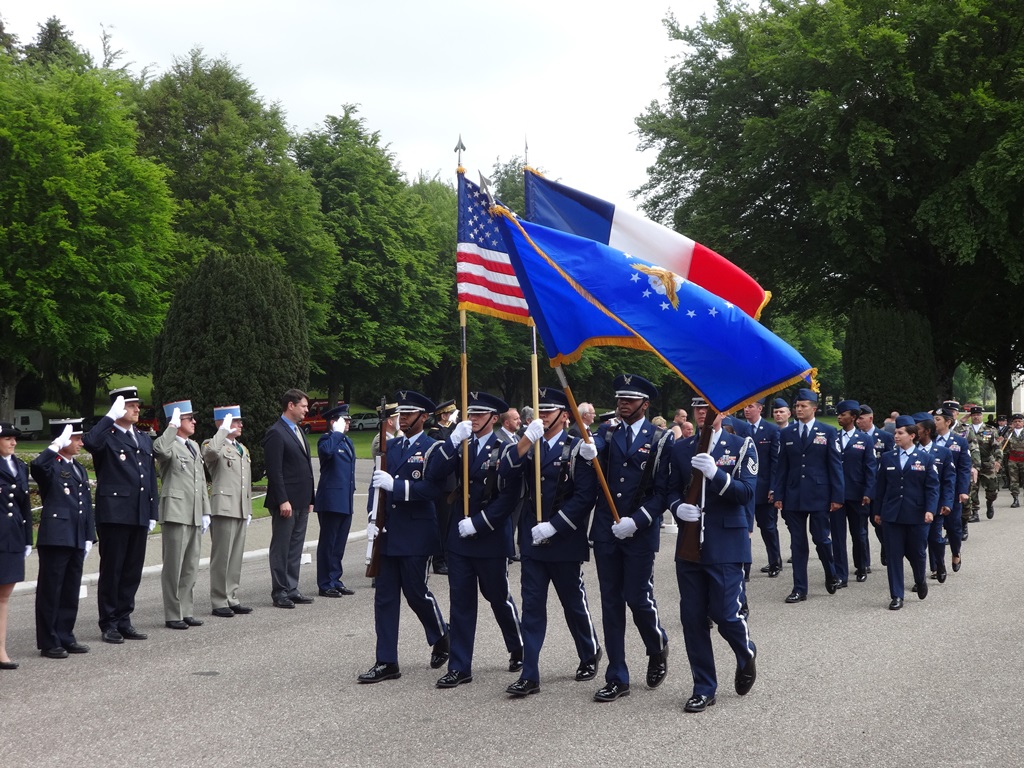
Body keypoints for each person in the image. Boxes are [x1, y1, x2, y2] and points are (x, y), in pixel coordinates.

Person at [499, 387, 601, 698]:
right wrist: (526, 439)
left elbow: (585, 496)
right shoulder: (530, 444)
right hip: (532, 536)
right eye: (539, 411)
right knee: (532, 607)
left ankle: (589, 651)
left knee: (572, 602)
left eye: (549, 411)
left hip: (564, 537)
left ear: (564, 416)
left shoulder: (577, 447)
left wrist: (554, 527)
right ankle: (530, 675)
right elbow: (505, 472)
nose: (542, 416)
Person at [428, 391, 524, 688]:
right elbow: (434, 473)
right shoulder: (460, 445)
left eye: (479, 415)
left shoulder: (506, 448)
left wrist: (480, 523)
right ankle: (460, 666)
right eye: (471, 414)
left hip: (490, 536)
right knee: (461, 602)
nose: (473, 419)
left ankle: (518, 645)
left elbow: (509, 497)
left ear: (494, 419)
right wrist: (452, 441)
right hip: (460, 537)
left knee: (497, 597)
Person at [587, 374, 671, 702]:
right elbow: (599, 455)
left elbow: (662, 493)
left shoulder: (661, 439)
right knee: (611, 603)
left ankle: (656, 644)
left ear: (645, 405)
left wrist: (637, 521)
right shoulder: (607, 432)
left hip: (639, 531)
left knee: (637, 598)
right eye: (620, 398)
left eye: (630, 399)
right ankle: (617, 675)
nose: (622, 403)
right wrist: (587, 449)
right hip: (608, 529)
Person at [669, 410, 758, 712]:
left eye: (709, 408)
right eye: (698, 407)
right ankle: (704, 687)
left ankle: (746, 652)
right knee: (692, 618)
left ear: (724, 412)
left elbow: (746, 493)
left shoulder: (741, 445)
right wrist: (677, 507)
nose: (702, 413)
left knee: (725, 615)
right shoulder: (681, 447)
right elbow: (667, 488)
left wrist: (716, 475)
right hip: (689, 544)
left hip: (726, 543)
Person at [358, 390, 449, 683]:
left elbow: (434, 490)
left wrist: (397, 486)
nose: (403, 419)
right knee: (384, 598)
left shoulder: (433, 448)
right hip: (388, 531)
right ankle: (387, 661)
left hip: (416, 532)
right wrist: (372, 517)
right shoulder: (390, 446)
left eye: (409, 414)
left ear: (424, 417)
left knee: (415, 592)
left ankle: (441, 635)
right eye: (402, 414)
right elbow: (376, 485)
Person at [84, 386, 158, 644]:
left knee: (131, 570)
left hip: (138, 511)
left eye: (137, 405)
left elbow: (150, 478)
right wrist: (108, 417)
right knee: (113, 569)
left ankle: (125, 618)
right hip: (115, 513)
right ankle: (109, 622)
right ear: (118, 408)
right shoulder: (107, 435)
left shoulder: (143, 438)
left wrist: (152, 510)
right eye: (131, 405)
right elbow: (89, 442)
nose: (137, 409)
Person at [773, 388, 844, 603]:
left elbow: (835, 466)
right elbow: (781, 467)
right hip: (793, 495)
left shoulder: (827, 432)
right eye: (797, 406)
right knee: (797, 542)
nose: (799, 409)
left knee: (821, 538)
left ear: (814, 408)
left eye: (803, 406)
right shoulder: (787, 433)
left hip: (819, 494)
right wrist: (778, 494)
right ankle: (799, 588)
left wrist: (837, 496)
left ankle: (831, 572)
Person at [30, 420, 94, 658]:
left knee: (70, 589)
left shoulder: (78, 467)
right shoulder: (51, 465)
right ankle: (49, 640)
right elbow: (36, 466)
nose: (81, 443)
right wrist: (56, 444)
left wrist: (89, 535)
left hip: (76, 535)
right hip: (56, 536)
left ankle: (66, 635)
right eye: (76, 438)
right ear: (64, 439)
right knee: (51, 590)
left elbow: (86, 504)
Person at [154, 400, 210, 630]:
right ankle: (172, 613)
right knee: (174, 565)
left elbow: (201, 481)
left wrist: (206, 511)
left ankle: (186, 609)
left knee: (190, 565)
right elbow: (159, 450)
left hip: (195, 511)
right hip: (176, 511)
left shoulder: (194, 446)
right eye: (189, 419)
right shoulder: (167, 444)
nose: (194, 421)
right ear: (177, 423)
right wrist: (171, 427)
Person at [873, 416, 939, 610]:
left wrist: (930, 510)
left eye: (900, 433)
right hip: (892, 514)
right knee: (894, 555)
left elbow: (932, 488)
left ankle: (920, 579)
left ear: (912, 436)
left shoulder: (925, 458)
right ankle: (896, 595)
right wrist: (877, 512)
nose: (896, 436)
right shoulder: (887, 458)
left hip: (916, 514)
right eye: (895, 433)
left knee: (918, 553)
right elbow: (880, 488)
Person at [263, 388, 316, 608]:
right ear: (291, 405)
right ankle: (280, 591)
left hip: (302, 500)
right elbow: (275, 471)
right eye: (303, 405)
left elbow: (306, 467)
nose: (306, 409)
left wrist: (311, 498)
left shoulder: (298, 431)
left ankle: (292, 587)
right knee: (282, 547)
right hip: (286, 501)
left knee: (296, 546)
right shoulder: (276, 432)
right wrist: (283, 499)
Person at [203, 405, 254, 618]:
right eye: (235, 421)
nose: (240, 424)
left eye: (239, 421)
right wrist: (222, 430)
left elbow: (246, 482)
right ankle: (218, 600)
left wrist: (249, 508)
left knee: (235, 556)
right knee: (222, 556)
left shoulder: (242, 448)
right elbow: (211, 454)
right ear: (221, 423)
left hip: (241, 507)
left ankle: (232, 596)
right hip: (224, 508)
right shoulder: (211, 444)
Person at [832, 400, 876, 586]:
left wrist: (868, 491)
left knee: (859, 533)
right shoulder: (832, 436)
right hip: (837, 495)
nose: (839, 417)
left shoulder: (864, 439)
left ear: (853, 417)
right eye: (838, 414)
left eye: (843, 415)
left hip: (857, 494)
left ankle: (861, 565)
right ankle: (841, 573)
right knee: (838, 535)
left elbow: (870, 468)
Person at [314, 405, 356, 598]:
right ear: (333, 422)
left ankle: (335, 579)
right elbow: (327, 452)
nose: (347, 423)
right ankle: (325, 583)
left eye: (347, 420)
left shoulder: (347, 442)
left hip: (345, 499)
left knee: (339, 544)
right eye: (343, 420)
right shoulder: (327, 439)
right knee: (328, 543)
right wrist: (336, 433)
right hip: (331, 500)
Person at [0, 422, 32, 668]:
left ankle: (0, 649)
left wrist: (27, 539)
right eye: (8, 438)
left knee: (4, 596)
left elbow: (24, 507)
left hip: (12, 536)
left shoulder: (20, 466)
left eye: (14, 439)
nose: (13, 443)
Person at [913, 413, 955, 586]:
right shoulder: (911, 451)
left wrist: (947, 502)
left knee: (935, 538)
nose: (913, 432)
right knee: (918, 542)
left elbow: (948, 480)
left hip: (936, 504)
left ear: (927, 431)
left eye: (917, 429)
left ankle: (940, 563)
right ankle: (920, 577)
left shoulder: (943, 453)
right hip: (915, 505)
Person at [742, 398, 782, 578]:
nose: (746, 409)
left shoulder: (772, 430)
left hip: (764, 487)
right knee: (744, 527)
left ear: (760, 408)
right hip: (744, 488)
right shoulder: (741, 429)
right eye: (745, 406)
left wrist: (773, 487)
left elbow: (775, 462)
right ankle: (744, 565)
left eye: (750, 406)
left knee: (768, 527)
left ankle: (775, 561)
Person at [932, 407, 972, 573]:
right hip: (933, 491)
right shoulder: (929, 440)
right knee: (933, 530)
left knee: (954, 527)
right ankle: (936, 566)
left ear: (948, 422)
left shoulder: (959, 441)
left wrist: (963, 490)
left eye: (938, 419)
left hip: (953, 491)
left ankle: (956, 552)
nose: (934, 422)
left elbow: (964, 468)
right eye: (933, 419)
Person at [855, 405, 894, 571]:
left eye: (861, 418)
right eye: (856, 418)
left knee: (879, 523)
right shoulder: (854, 437)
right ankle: (864, 562)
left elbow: (891, 462)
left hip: (879, 490)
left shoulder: (884, 437)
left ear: (870, 419)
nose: (858, 422)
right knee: (860, 528)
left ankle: (887, 548)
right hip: (860, 489)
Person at [427, 400, 458, 576]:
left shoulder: (451, 431)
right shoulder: (435, 433)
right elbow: (444, 447)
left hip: (453, 484)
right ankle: (439, 561)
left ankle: (446, 557)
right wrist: (452, 428)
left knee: (450, 524)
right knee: (442, 524)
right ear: (443, 416)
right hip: (443, 485)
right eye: (451, 415)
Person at [965, 406, 1000, 521]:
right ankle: (975, 511)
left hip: (987, 463)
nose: (976, 417)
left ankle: (990, 503)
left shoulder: (989, 430)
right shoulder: (966, 429)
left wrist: (998, 460)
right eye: (974, 415)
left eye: (978, 415)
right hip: (972, 464)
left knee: (992, 489)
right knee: (972, 488)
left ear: (982, 416)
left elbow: (996, 447)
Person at [1003, 414, 1024, 507]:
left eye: (1019, 421)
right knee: (1014, 480)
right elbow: (1004, 446)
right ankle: (1015, 499)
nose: (1017, 423)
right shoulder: (1009, 433)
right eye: (1015, 421)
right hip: (1013, 460)